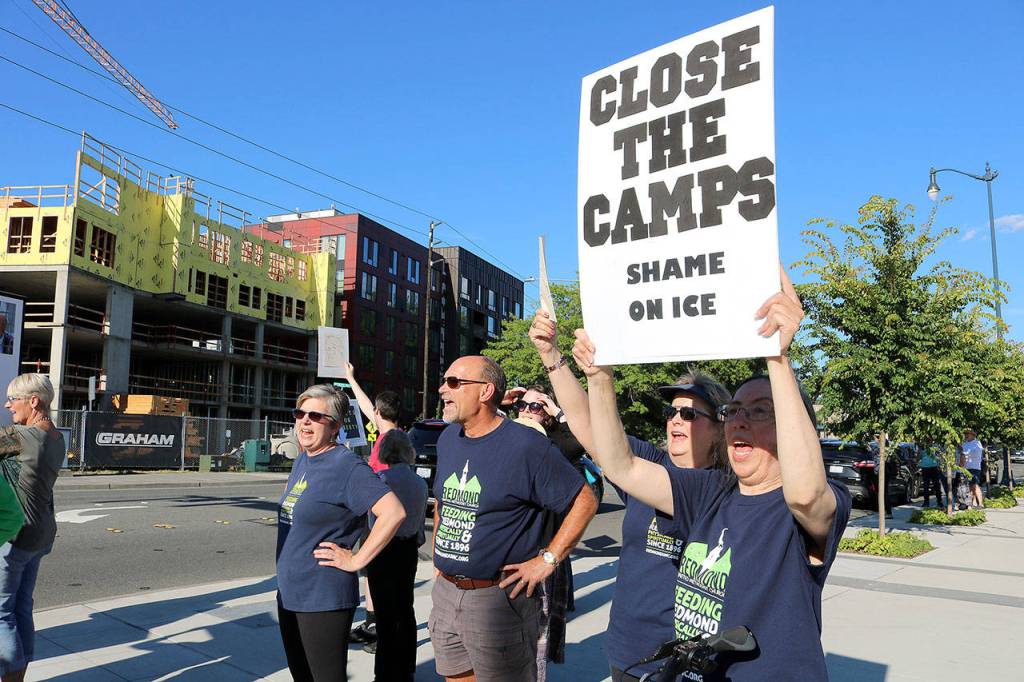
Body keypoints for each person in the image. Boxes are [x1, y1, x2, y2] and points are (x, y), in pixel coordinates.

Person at [574, 266, 852, 680]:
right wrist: (599, 379)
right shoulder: (710, 492)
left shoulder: (800, 508)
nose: (739, 420)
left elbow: (806, 496)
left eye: (760, 411)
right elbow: (622, 466)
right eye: (734, 411)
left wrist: (778, 358)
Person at [528, 309, 731, 682]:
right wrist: (551, 355)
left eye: (690, 414)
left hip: (685, 659)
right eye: (672, 411)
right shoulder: (649, 460)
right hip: (627, 649)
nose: (675, 420)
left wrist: (600, 378)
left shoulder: (720, 487)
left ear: (721, 428)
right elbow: (588, 424)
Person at [428, 355, 598, 682]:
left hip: (498, 600)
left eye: (453, 382)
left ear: (485, 391)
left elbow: (584, 499)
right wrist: (440, 553)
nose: (442, 390)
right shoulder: (448, 438)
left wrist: (549, 559)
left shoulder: (525, 445)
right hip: (446, 593)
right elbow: (443, 502)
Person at [276, 384, 406, 682]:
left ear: (334, 425)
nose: (304, 421)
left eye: (315, 416)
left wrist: (357, 559)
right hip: (290, 592)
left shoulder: (347, 466)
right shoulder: (303, 460)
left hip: (322, 597)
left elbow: (393, 512)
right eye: (300, 413)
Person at [0, 374, 64, 682]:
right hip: (40, 533)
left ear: (34, 401)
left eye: (13, 399)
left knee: (0, 614)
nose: (8, 405)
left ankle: (10, 677)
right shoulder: (56, 436)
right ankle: (19, 675)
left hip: (17, 535)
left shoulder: (22, 437)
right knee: (22, 608)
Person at [345, 362, 403, 649]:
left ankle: (382, 630)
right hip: (379, 516)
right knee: (372, 572)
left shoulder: (390, 441)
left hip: (383, 518)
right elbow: (368, 407)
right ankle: (372, 623)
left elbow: (365, 407)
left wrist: (351, 379)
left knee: (380, 575)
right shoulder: (396, 435)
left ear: (379, 414)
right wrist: (350, 378)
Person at [365, 430, 427, 682]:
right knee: (405, 608)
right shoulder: (420, 483)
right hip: (408, 548)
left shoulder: (381, 479)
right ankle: (406, 668)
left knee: (384, 614)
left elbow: (373, 522)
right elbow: (421, 526)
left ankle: (385, 671)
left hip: (385, 550)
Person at [960, 429, 985, 508]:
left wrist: (964, 454)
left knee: (975, 485)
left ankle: (980, 503)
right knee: (969, 486)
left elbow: (973, 453)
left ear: (973, 435)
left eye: (968, 434)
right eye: (965, 434)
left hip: (974, 467)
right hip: (966, 468)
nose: (966, 435)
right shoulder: (964, 444)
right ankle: (973, 503)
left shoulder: (977, 443)